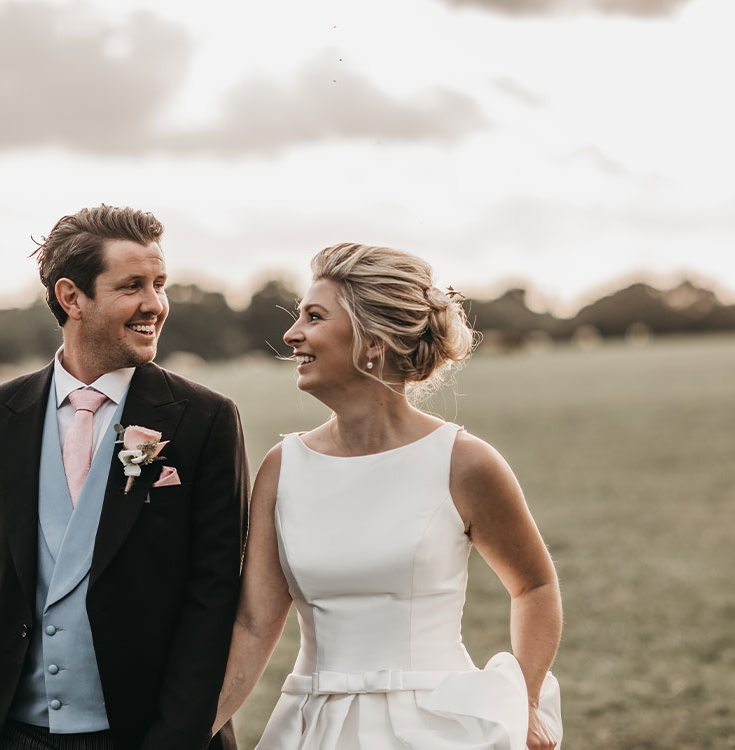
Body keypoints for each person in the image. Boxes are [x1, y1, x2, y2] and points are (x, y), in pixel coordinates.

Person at [0, 204, 249, 750]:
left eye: (161, 284)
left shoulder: (206, 419)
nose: (155, 304)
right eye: (132, 286)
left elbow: (213, 602)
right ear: (72, 298)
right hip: (11, 736)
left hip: (144, 737)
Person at [214, 243, 563, 750]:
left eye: (313, 317)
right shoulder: (281, 467)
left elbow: (534, 586)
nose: (291, 335)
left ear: (372, 341)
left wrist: (524, 702)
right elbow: (252, 625)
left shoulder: (464, 462)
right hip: (314, 728)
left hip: (439, 727)